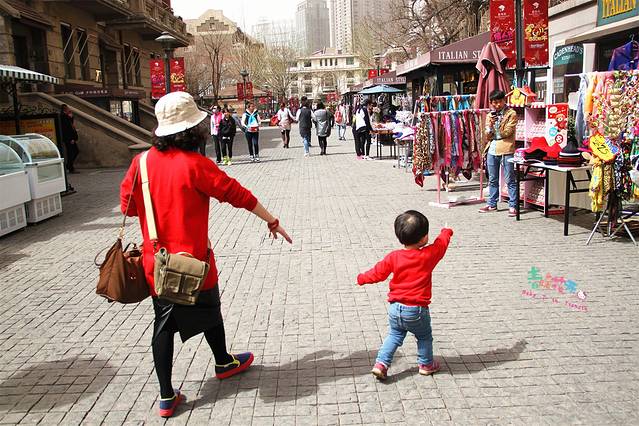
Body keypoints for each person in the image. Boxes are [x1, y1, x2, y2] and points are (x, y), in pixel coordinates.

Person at [120, 92, 292, 419]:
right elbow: (237, 195)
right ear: (192, 130)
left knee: (163, 324)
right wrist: (271, 220)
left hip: (158, 264)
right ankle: (223, 361)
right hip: (195, 262)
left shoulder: (140, 163)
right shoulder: (196, 165)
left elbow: (126, 207)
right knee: (211, 309)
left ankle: (167, 396)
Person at [357, 210, 453, 380]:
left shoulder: (394, 257)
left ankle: (381, 364)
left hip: (395, 308)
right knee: (424, 337)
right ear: (424, 238)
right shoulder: (428, 255)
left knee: (394, 335)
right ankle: (426, 365)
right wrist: (446, 232)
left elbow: (378, 273)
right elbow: (441, 245)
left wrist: (362, 278)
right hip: (417, 310)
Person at [478, 89, 518, 216]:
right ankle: (492, 204)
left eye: (499, 102)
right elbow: (487, 135)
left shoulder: (511, 114)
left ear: (504, 100)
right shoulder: (490, 116)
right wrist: (490, 126)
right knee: (492, 179)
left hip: (506, 149)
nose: (497, 105)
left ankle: (513, 206)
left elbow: (508, 132)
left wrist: (495, 131)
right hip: (492, 149)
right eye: (494, 103)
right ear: (491, 103)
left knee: (510, 179)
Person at [60, 104, 79, 173]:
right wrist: (71, 138)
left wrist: (71, 117)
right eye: (68, 108)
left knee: (73, 152)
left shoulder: (66, 117)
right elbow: (67, 129)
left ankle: (69, 165)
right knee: (73, 152)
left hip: (70, 138)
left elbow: (71, 125)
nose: (69, 110)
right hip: (69, 138)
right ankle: (70, 166)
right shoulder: (64, 117)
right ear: (65, 109)